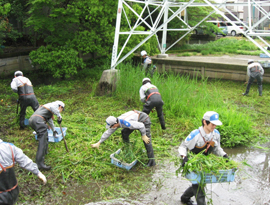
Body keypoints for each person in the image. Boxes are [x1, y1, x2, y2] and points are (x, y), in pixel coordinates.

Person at [178, 111, 229, 205]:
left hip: (205, 161)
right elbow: (183, 147)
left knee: (201, 182)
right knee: (198, 186)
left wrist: (224, 155)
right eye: (213, 124)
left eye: (215, 125)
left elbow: (217, 148)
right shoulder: (195, 134)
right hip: (193, 162)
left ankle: (185, 197)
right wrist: (184, 157)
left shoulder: (216, 134)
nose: (214, 127)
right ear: (205, 122)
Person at [91, 110, 156, 166]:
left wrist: (143, 135)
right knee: (124, 132)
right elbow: (108, 133)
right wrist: (99, 143)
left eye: (111, 126)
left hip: (143, 120)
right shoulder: (116, 123)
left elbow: (141, 126)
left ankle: (152, 162)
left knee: (146, 140)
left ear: (115, 124)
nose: (111, 128)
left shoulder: (126, 122)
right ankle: (127, 148)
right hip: (134, 120)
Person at [0, 138, 47, 205]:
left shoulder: (9, 147)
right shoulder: (10, 147)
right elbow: (24, 160)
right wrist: (38, 172)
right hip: (14, 192)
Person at [29, 101, 65, 170]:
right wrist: (59, 116)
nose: (60, 112)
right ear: (60, 107)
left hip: (33, 120)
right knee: (42, 140)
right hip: (38, 120)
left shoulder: (48, 109)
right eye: (61, 110)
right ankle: (40, 164)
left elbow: (50, 121)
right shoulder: (53, 105)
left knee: (45, 135)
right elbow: (52, 108)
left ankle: (45, 152)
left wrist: (54, 130)